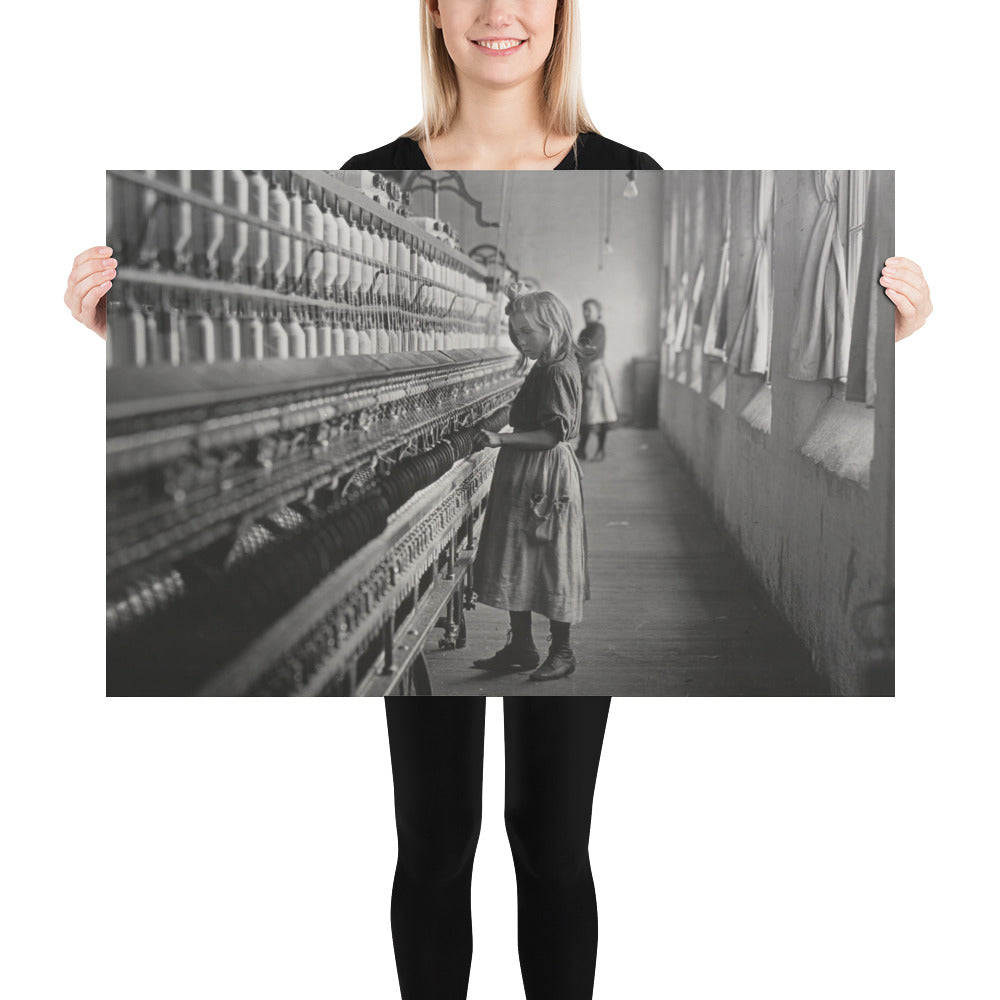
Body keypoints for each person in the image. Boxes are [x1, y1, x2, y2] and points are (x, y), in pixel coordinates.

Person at [64, 4, 932, 1000]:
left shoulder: (630, 169)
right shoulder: (367, 165)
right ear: (429, 15)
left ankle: (538, 655)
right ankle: (524, 651)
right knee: (434, 840)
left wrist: (898, 335)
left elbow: (553, 424)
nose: (495, 12)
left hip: (533, 479)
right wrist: (114, 343)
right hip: (513, 471)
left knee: (550, 840)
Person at [472, 288, 589, 682]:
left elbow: (551, 435)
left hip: (544, 472)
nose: (519, 340)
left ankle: (563, 651)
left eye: (527, 332)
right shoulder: (544, 366)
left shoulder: (556, 370)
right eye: (514, 332)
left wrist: (499, 439)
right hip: (527, 471)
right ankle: (521, 646)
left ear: (552, 328)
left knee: (552, 558)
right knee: (518, 554)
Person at [575, 298, 617, 461]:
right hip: (586, 372)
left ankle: (600, 449)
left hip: (595, 373)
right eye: (584, 309)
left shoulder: (599, 329)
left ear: (598, 313)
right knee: (587, 412)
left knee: (599, 412)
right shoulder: (584, 331)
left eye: (589, 310)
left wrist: (575, 350)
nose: (586, 313)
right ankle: (582, 449)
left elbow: (587, 350)